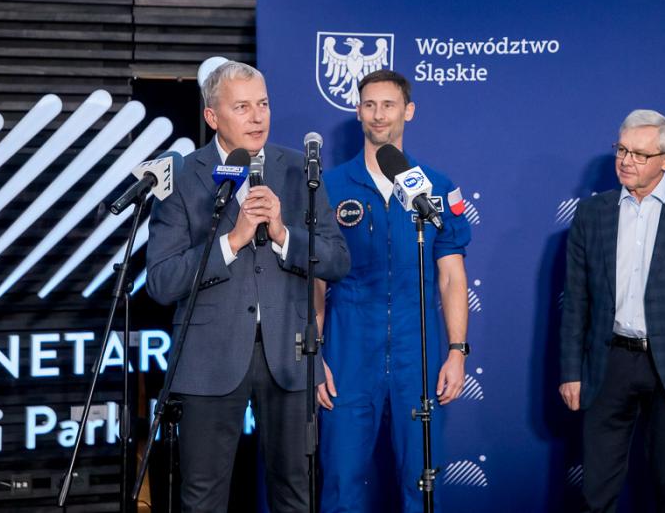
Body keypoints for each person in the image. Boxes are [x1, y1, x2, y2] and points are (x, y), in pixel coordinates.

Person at [146, 60, 350, 513]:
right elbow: (161, 281)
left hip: (290, 357)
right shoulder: (181, 177)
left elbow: (337, 260)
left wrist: (283, 234)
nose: (257, 117)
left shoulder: (299, 170)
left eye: (263, 104)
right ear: (212, 116)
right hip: (207, 359)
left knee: (296, 494)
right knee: (202, 498)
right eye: (242, 107)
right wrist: (232, 241)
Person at [559, 109, 665, 513]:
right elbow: (576, 299)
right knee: (596, 494)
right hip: (608, 362)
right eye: (621, 150)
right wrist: (571, 371)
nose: (626, 161)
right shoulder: (592, 213)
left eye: (639, 154)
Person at [316, 69, 472, 513]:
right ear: (358, 112)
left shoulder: (436, 187)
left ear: (409, 111)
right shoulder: (330, 186)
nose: (378, 114)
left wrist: (457, 351)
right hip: (348, 350)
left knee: (421, 483)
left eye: (388, 105)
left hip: (415, 351)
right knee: (342, 482)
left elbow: (451, 276)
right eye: (369, 105)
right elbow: (316, 278)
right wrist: (316, 355)